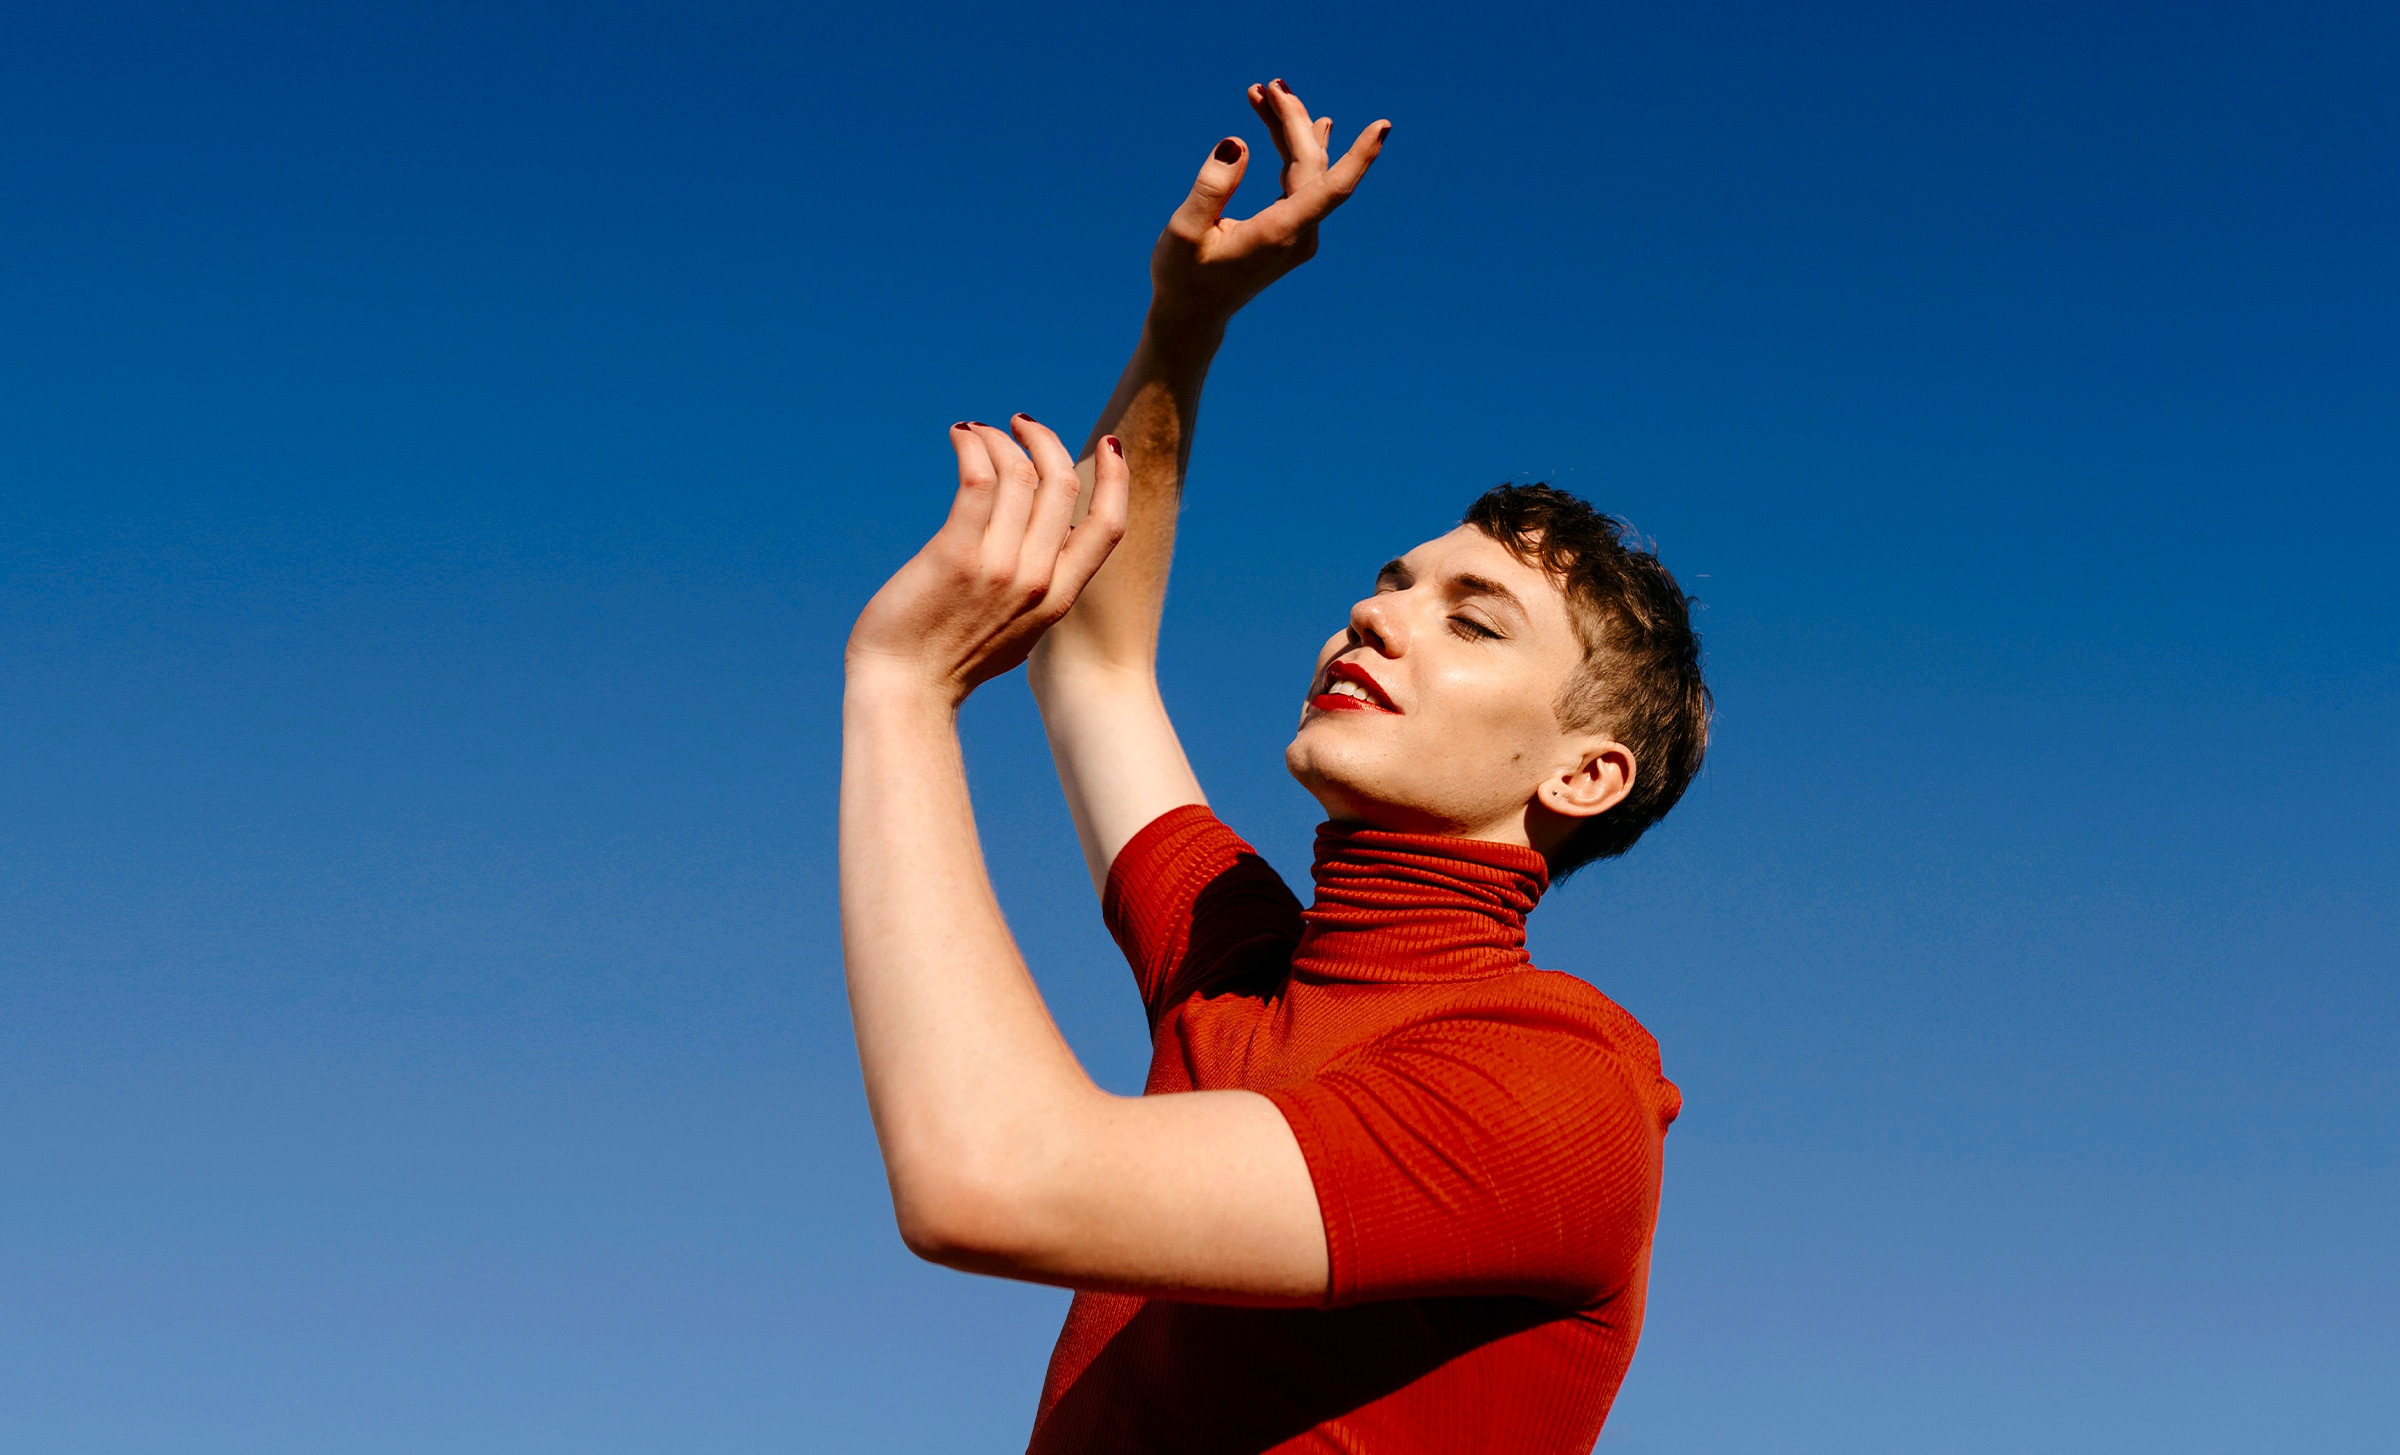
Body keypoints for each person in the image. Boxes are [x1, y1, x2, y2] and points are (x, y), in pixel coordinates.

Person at [841, 78, 1709, 1454]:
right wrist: (1188, 319)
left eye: (1470, 618)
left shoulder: (1559, 1091)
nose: (1378, 613)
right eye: (1392, 582)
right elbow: (1097, 659)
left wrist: (900, 688)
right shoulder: (1244, 961)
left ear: (1586, 775)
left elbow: (987, 1177)